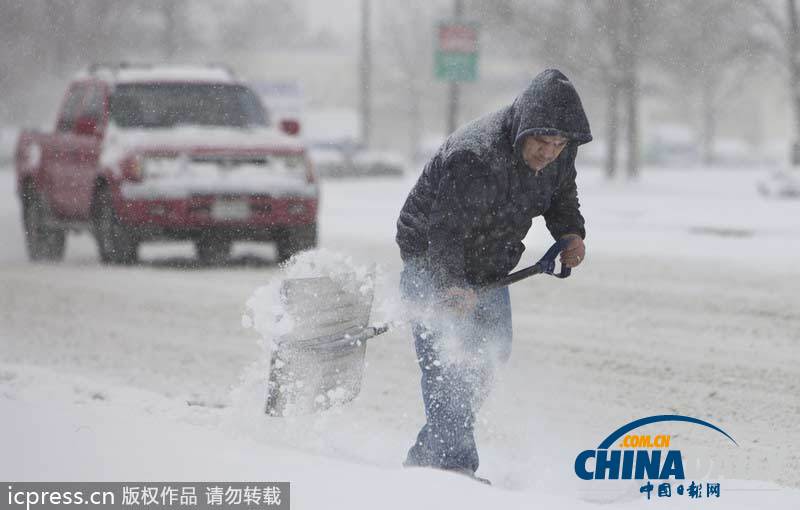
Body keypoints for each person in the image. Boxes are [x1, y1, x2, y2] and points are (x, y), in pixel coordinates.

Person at [395, 69, 592, 482]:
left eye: (559, 145)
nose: (549, 153)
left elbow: (561, 197)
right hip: (432, 260)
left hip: (488, 266)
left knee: (489, 357)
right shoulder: (475, 155)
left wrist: (570, 233)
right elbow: (444, 229)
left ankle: (425, 463)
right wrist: (449, 283)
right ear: (523, 129)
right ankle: (452, 469)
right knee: (448, 362)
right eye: (542, 142)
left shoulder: (559, 153)